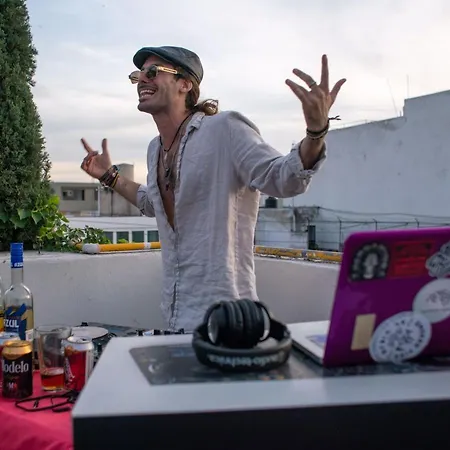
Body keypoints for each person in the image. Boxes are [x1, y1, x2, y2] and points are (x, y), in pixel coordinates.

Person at [80, 45, 346, 331]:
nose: (142, 80)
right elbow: (153, 203)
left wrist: (316, 132)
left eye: (153, 72)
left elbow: (283, 178)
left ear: (185, 84)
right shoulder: (154, 149)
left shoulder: (225, 129)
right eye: (138, 75)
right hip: (175, 317)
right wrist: (110, 176)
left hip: (229, 320)